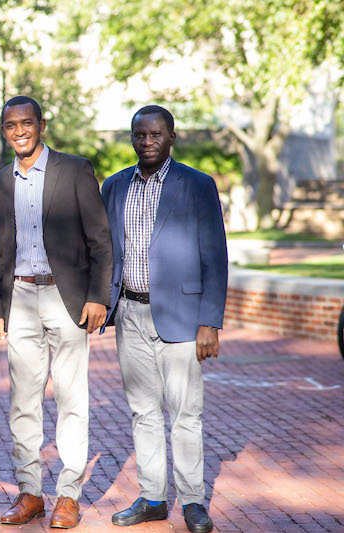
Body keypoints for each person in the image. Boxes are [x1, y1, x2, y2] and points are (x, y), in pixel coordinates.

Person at [0, 96, 113, 529]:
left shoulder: (74, 169)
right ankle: (30, 493)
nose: (18, 131)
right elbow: (1, 247)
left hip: (66, 297)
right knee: (22, 400)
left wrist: (98, 296)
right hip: (19, 297)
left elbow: (100, 238)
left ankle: (68, 495)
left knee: (71, 398)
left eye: (26, 123)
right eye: (10, 125)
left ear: (42, 124)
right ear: (3, 130)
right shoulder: (0, 180)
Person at [100, 105, 227, 533]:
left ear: (172, 137)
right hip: (131, 312)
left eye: (156, 134)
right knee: (143, 411)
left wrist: (209, 321)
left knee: (185, 413)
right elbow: (105, 252)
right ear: (132, 137)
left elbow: (215, 256)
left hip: (182, 316)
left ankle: (192, 501)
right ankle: (153, 497)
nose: (147, 141)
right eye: (140, 134)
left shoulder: (197, 184)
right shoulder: (116, 186)